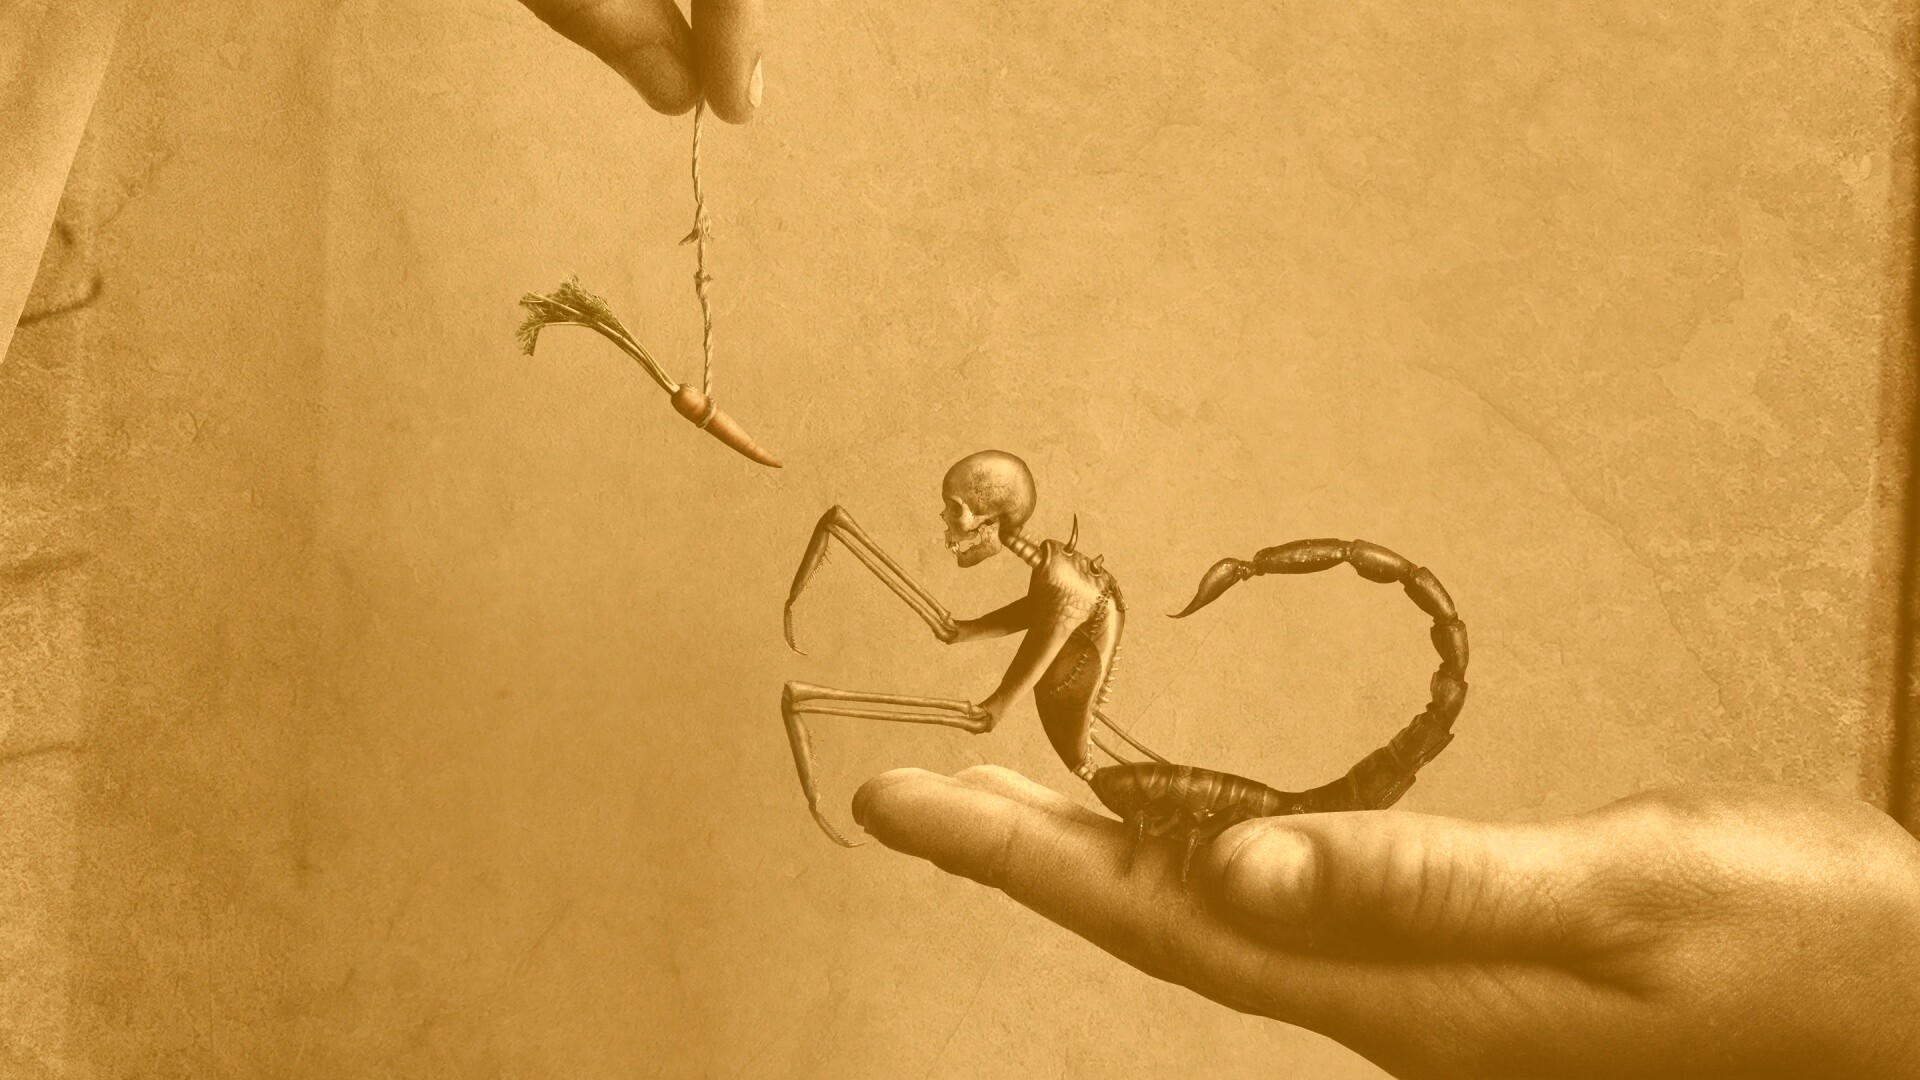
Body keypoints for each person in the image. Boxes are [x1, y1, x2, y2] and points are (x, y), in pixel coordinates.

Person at [10, 6, 1917, 1074]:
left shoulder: (1067, 590)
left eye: (980, 516)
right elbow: (963, 655)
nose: (972, 530)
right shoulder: (1050, 581)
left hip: (1155, 786)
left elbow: (995, 697)